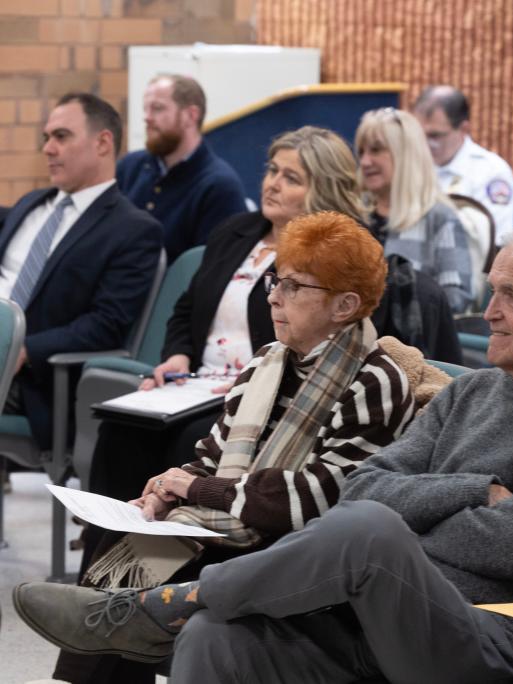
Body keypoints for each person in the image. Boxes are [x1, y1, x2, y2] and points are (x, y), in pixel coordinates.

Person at [14, 229, 513, 684]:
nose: (487, 314)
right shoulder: (472, 392)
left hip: (481, 631)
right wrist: (474, 490)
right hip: (361, 607)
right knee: (216, 636)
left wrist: (405, 531)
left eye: (510, 296)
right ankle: (176, 610)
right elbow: (365, 486)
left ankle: (159, 606)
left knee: (369, 532)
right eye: (491, 292)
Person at [49, 211, 416, 684]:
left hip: (299, 549)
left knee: (158, 564)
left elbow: (317, 500)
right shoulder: (268, 361)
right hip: (240, 524)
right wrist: (166, 491)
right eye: (275, 282)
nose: (274, 298)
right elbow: (210, 456)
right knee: (132, 531)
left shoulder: (377, 381)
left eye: (294, 287)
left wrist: (194, 490)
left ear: (344, 306)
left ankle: (92, 643)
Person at [88, 125, 371, 516]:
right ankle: (111, 554)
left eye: (291, 178)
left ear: (324, 189)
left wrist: (248, 383)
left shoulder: (334, 263)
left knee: (187, 440)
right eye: (272, 170)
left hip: (262, 394)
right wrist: (178, 357)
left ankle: (174, 555)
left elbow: (327, 345)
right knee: (120, 430)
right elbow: (187, 309)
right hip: (193, 385)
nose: (272, 184)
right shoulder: (235, 232)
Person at [0, 92, 162, 450]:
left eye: (61, 136)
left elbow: (106, 324)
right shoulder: (32, 204)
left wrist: (22, 349)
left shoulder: (132, 229)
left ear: (103, 143)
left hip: (31, 378)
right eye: (46, 138)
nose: (48, 148)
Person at [117, 74, 248, 261]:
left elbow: (214, 270)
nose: (147, 118)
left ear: (190, 115)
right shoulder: (129, 167)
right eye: (145, 109)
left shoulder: (219, 186)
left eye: (157, 108)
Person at [356, 107, 474, 313]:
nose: (365, 161)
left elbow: (455, 298)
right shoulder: (353, 214)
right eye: (361, 151)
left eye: (376, 150)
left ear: (405, 155)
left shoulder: (439, 218)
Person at [413, 84, 513, 243]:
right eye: (419, 134)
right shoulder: (412, 164)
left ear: (464, 129)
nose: (425, 143)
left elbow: (497, 241)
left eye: (435, 136)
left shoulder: (491, 171)